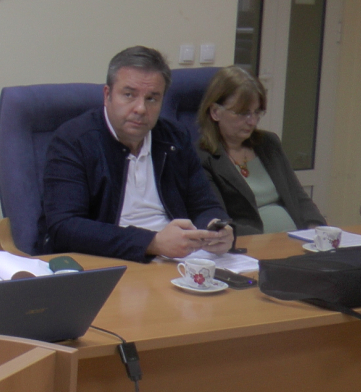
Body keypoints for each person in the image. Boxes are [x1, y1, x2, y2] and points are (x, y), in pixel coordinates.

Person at [41, 46, 232, 262]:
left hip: (178, 260)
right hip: (110, 261)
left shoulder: (174, 138)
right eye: (129, 95)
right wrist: (152, 243)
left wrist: (216, 228)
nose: (140, 108)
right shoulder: (73, 140)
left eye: (151, 99)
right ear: (107, 95)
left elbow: (204, 205)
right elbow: (64, 227)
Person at [196, 66, 325, 235]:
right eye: (243, 113)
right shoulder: (202, 157)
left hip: (298, 239)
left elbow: (298, 197)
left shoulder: (268, 144)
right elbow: (218, 220)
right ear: (215, 112)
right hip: (252, 245)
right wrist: (268, 241)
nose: (252, 121)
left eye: (257, 112)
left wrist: (316, 229)